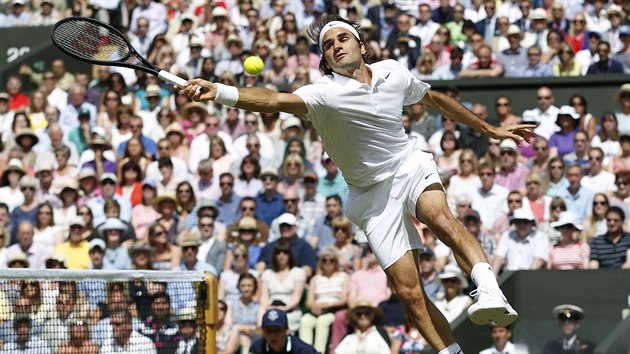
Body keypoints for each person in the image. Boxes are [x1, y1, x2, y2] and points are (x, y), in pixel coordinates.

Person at [182, 16, 535, 352]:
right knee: (408, 293)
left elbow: (432, 98)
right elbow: (273, 100)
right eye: (328, 45)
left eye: (343, 38)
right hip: (369, 194)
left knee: (440, 219)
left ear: (362, 46)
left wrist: (489, 129)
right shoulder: (324, 93)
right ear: (324, 59)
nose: (336, 46)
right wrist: (219, 92)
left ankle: (489, 290)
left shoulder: (394, 72)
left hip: (407, 164)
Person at [250, 309, 318, 354]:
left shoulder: (301, 349)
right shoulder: (256, 348)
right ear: (263, 332)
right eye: (268, 330)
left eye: (277, 330)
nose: (272, 335)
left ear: (287, 330)